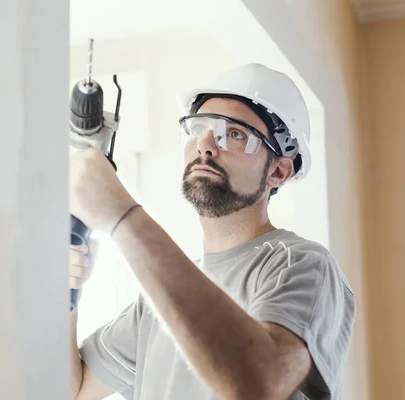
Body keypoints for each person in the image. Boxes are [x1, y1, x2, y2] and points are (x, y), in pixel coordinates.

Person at [69, 63, 355, 400]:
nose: (205, 145)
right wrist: (67, 293)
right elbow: (71, 390)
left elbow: (260, 383)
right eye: (197, 129)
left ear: (278, 171)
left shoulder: (301, 264)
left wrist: (122, 215)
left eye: (233, 134)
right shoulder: (156, 304)